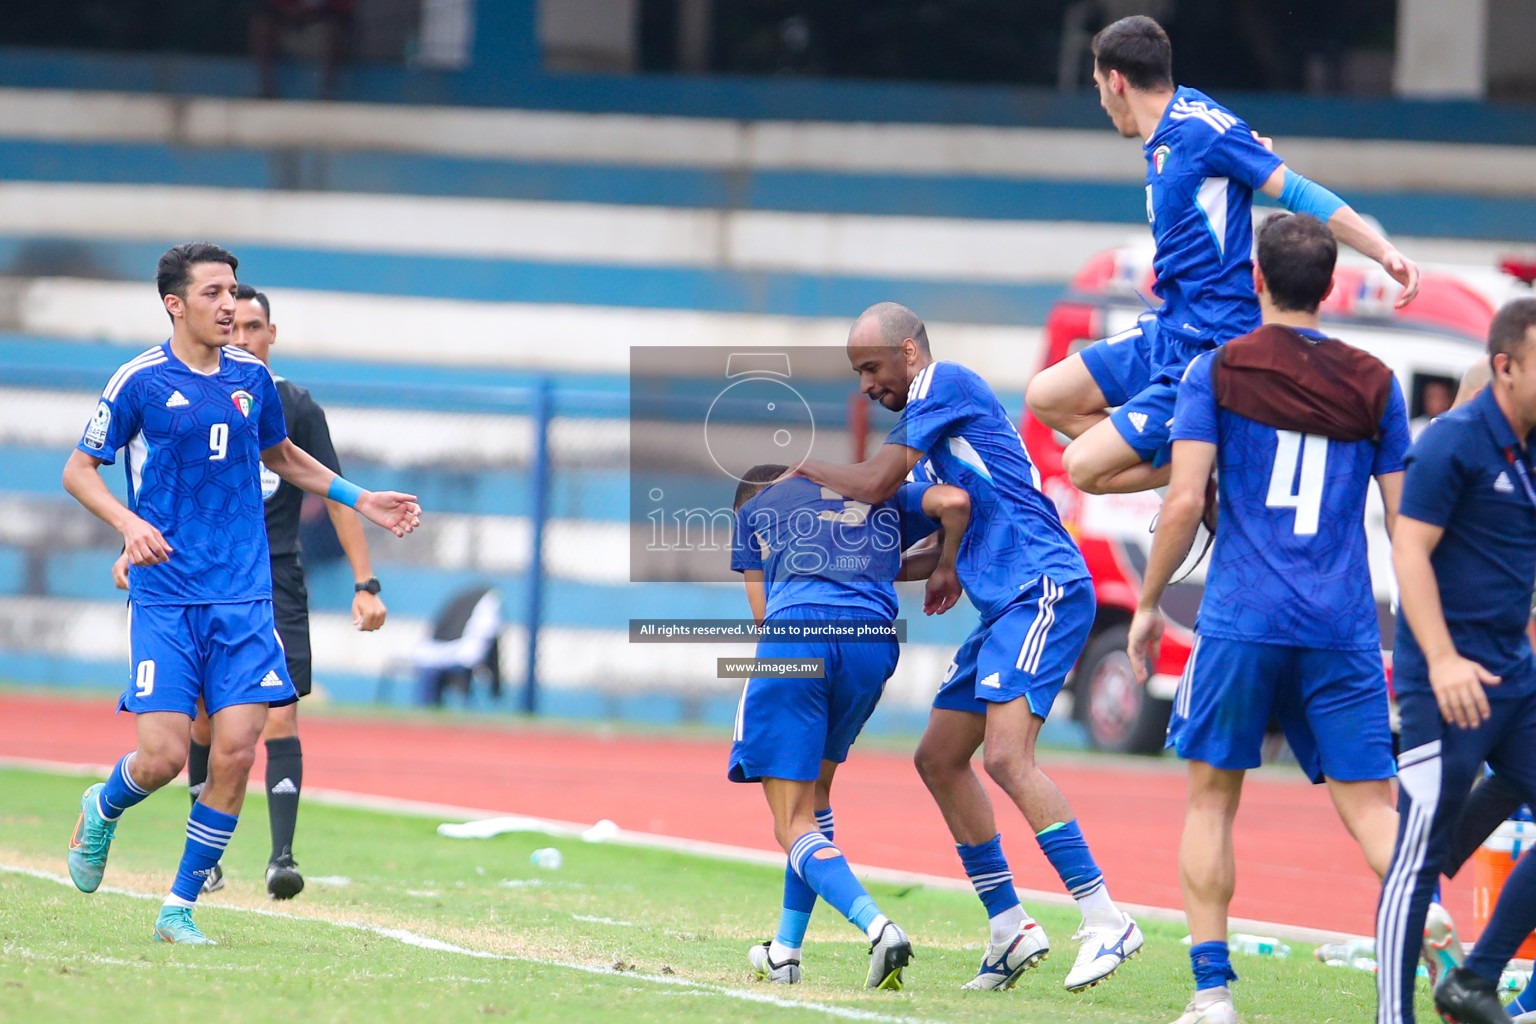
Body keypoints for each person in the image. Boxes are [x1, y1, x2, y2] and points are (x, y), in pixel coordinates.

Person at [64, 243, 419, 944]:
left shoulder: (252, 378)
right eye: (213, 293)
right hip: (166, 597)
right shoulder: (138, 380)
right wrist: (128, 524)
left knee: (235, 750)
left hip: (245, 597)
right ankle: (103, 806)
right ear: (175, 304)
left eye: (233, 292)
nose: (230, 305)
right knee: (164, 759)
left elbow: (281, 456)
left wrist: (362, 497)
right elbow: (80, 470)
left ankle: (179, 907)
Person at [785, 302, 1142, 993]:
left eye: (870, 367)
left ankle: (1105, 919)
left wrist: (796, 467)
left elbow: (876, 485)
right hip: (1004, 604)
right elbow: (952, 508)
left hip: (1045, 586)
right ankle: (1009, 927)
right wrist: (939, 561)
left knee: (1008, 757)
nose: (865, 384)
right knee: (940, 757)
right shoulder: (933, 437)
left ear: (910, 355)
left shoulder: (944, 384)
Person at [1126, 213, 1411, 1024]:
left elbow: (1183, 501)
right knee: (1371, 812)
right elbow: (1401, 517)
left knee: (1212, 802)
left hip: (1242, 617)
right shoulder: (1377, 382)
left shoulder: (1215, 371)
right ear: (1329, 286)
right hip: (1341, 626)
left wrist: (1149, 606)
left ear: (1256, 281)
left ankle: (1213, 996)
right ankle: (1440, 949)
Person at [1024, 14, 1418, 497]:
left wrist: (1383, 252)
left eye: (1098, 86)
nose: (1102, 102)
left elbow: (1296, 191)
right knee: (1046, 397)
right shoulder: (1168, 136)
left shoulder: (1203, 129)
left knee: (1082, 468)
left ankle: (1210, 452)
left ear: (1117, 81)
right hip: (1171, 328)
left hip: (1212, 341)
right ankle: (1199, 448)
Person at [113, 283, 389, 900]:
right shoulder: (171, 387)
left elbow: (327, 486)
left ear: (271, 333)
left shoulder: (290, 403)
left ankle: (277, 857)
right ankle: (190, 850)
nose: (241, 334)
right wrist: (130, 539)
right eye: (233, 321)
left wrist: (364, 579)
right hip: (188, 582)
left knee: (273, 718)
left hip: (271, 578)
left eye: (252, 324)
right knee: (195, 733)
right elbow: (165, 483)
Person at [731, 462, 971, 990]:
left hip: (798, 636)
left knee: (790, 819)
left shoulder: (754, 508)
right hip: (871, 641)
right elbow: (955, 503)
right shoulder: (873, 492)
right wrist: (945, 566)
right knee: (815, 799)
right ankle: (786, 951)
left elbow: (762, 616)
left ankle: (878, 927)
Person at [1378, 297, 1536, 1024]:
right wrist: (1441, 661)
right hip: (1445, 679)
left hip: (1513, 674)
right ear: (1505, 368)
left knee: (1441, 837)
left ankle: (1475, 979)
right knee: (1414, 860)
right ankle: (1393, 1015)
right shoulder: (1452, 441)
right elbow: (1408, 548)